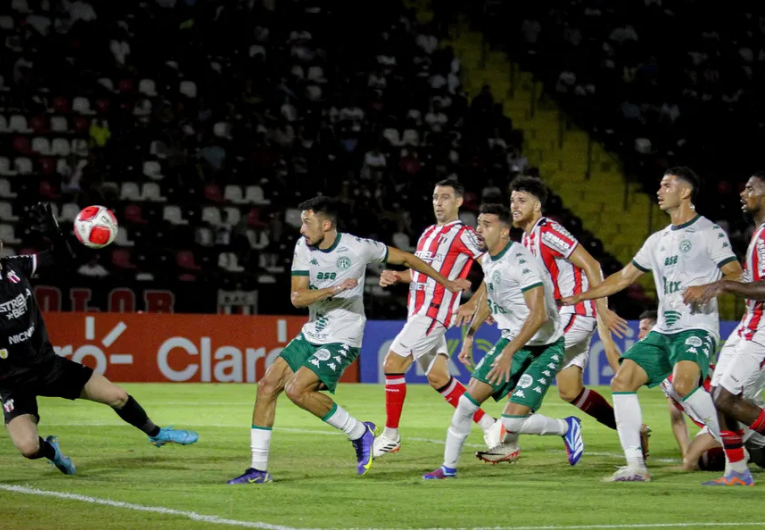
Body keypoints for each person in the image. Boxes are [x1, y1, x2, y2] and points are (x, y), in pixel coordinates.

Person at [227, 196, 470, 484]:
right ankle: (258, 470)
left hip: (343, 337)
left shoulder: (358, 247)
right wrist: (333, 289)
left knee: (296, 390)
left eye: (307, 222)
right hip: (312, 332)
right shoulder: (303, 247)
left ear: (326, 224)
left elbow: (406, 258)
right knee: (267, 385)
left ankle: (358, 432)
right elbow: (297, 297)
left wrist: (446, 282)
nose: (302, 229)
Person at [562, 167, 742, 482]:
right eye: (660, 185)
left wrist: (709, 288)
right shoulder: (657, 241)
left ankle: (736, 453)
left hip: (696, 327)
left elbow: (735, 273)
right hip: (664, 330)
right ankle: (636, 466)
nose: (659, 190)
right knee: (622, 380)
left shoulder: (708, 232)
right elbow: (624, 277)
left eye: (667, 185)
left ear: (685, 192)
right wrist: (583, 295)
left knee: (684, 385)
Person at [0, 204, 198, 475]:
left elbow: (63, 257)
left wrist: (54, 233)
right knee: (29, 448)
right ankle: (53, 451)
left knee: (117, 396)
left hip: (49, 367)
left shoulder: (15, 267)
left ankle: (157, 433)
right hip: (13, 382)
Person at [465, 176, 633, 463]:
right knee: (570, 390)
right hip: (565, 316)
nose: (514, 206)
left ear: (537, 205)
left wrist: (602, 308)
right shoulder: (527, 238)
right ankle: (631, 430)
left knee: (521, 361)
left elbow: (591, 264)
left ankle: (510, 442)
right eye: (512, 201)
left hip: (575, 314)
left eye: (522, 201)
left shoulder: (548, 230)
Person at [423, 204, 584, 479]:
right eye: (479, 223)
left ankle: (567, 427)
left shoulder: (521, 262)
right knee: (466, 404)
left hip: (544, 348)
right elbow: (489, 295)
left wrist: (508, 352)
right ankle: (448, 468)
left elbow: (539, 314)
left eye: (486, 224)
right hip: (512, 342)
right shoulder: (488, 260)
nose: (479, 229)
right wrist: (470, 336)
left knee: (512, 422)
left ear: (505, 231)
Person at [374, 179, 497, 459]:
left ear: (458, 202)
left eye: (445, 197)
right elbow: (420, 272)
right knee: (439, 378)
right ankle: (490, 425)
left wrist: (475, 304)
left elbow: (493, 268)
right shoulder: (428, 233)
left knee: (392, 364)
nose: (438, 203)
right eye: (435, 197)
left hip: (434, 314)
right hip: (418, 312)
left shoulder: (464, 234)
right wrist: (397, 276)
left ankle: (391, 435)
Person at [683, 171, 765, 486]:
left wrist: (724, 285)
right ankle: (737, 471)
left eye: (750, 188)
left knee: (727, 398)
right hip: (750, 322)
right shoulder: (758, 232)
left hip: (761, 326)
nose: (742, 193)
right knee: (718, 395)